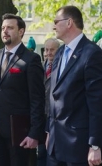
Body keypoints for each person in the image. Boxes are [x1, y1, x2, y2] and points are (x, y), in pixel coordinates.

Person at [0, 13, 45, 166]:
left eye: (10, 28)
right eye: (3, 28)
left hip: (20, 132)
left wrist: (34, 133)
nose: (5, 31)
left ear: (21, 31)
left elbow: (37, 99)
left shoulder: (30, 59)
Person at [46, 5, 102, 166]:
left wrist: (95, 144)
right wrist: (49, 129)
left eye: (56, 21)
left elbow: (97, 103)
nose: (53, 26)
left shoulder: (91, 53)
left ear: (69, 22)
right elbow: (54, 94)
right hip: (55, 144)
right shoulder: (60, 52)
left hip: (78, 146)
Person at [37, 38, 60, 166]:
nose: (48, 52)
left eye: (52, 50)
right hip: (41, 115)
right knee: (41, 152)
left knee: (52, 151)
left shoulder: (63, 67)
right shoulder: (39, 67)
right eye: (46, 49)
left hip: (55, 115)